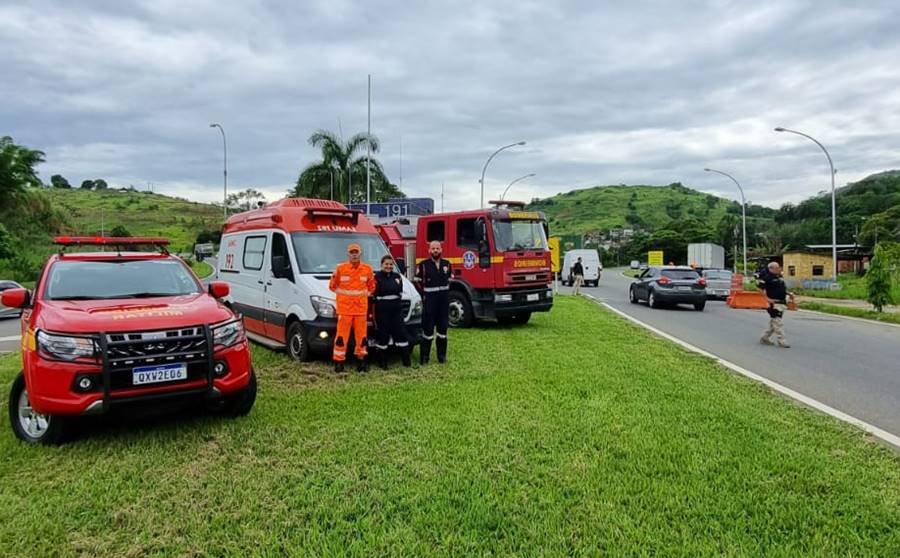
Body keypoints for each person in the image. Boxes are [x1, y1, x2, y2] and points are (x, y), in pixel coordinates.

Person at [329, 243, 376, 372]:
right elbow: (332, 286)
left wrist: (361, 296)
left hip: (360, 310)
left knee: (362, 338)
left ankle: (361, 362)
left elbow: (372, 287)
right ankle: (339, 363)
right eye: (352, 252)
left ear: (360, 254)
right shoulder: (340, 269)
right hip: (345, 310)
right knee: (341, 338)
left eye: (356, 252)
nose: (354, 254)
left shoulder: (367, 269)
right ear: (348, 254)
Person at [372, 255, 411, 369]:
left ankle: (406, 361)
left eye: (390, 264)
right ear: (381, 265)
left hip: (396, 309)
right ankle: (382, 362)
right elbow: (374, 293)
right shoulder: (377, 277)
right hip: (382, 310)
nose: (388, 266)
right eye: (386, 264)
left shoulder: (397, 276)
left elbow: (399, 291)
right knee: (383, 335)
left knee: (401, 334)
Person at [416, 240, 452, 364]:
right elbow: (417, 282)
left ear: (441, 250)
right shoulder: (423, 265)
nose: (435, 250)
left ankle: (442, 357)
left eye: (437, 248)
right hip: (430, 303)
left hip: (443, 304)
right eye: (433, 248)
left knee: (442, 331)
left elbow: (450, 281)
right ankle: (425, 358)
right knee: (427, 331)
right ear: (429, 250)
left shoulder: (447, 264)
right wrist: (425, 296)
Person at [759, 261, 793, 348]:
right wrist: (767, 299)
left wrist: (788, 294)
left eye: (779, 268)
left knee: (773, 322)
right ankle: (782, 341)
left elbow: (780, 288)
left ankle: (765, 338)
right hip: (774, 303)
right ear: (771, 268)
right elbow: (760, 289)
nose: (779, 269)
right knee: (778, 322)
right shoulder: (766, 278)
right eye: (777, 268)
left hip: (781, 302)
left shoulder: (778, 277)